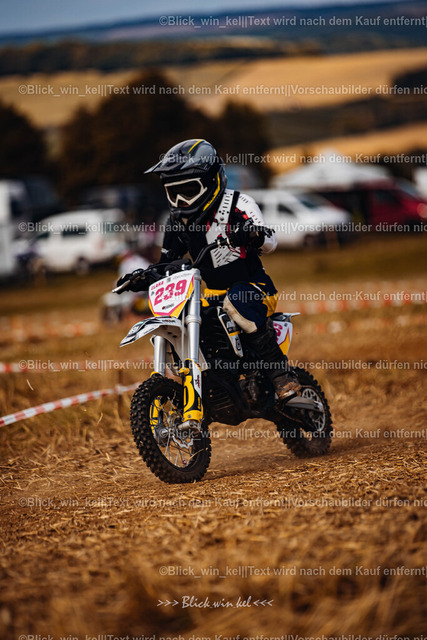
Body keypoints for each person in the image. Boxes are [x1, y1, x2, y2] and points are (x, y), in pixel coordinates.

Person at [117, 139, 301, 401]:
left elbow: (271, 242)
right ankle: (208, 383)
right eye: (173, 192)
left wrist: (252, 233)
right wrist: (144, 277)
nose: (180, 200)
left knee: (236, 302)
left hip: (255, 289)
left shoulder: (238, 203)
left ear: (211, 181)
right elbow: (165, 263)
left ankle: (281, 374)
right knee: (186, 320)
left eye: (188, 190)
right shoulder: (177, 222)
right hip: (211, 296)